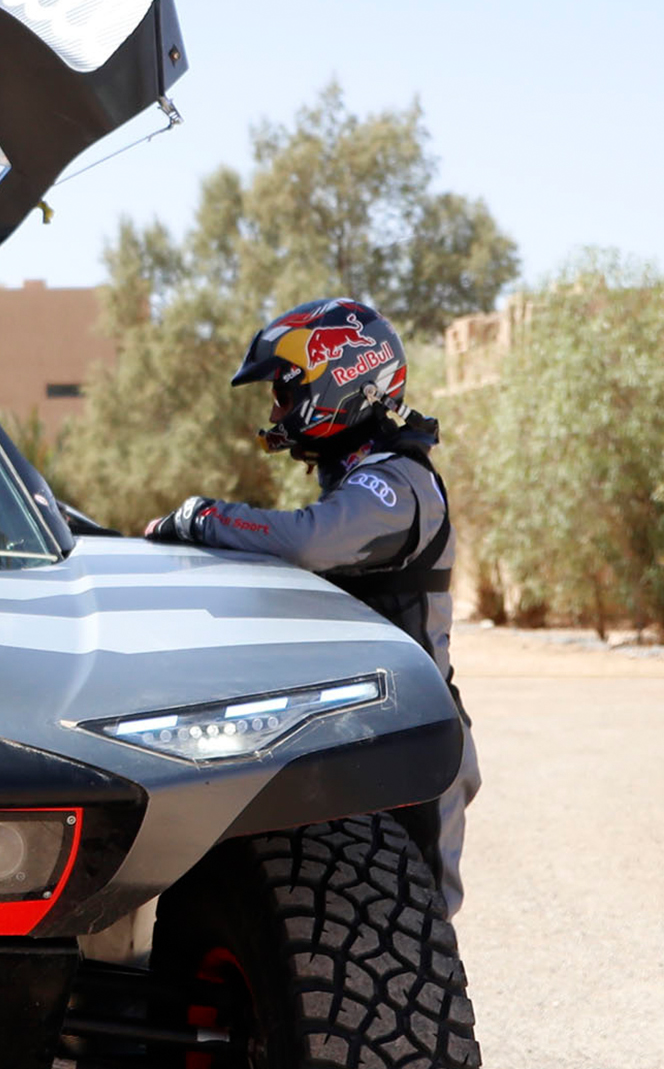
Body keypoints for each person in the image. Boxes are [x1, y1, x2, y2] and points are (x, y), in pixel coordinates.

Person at [142, 297, 480, 916]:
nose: (276, 410)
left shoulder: (396, 482)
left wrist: (205, 517)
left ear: (338, 381)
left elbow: (307, 540)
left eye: (284, 390)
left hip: (417, 736)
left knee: (416, 927)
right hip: (365, 726)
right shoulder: (359, 474)